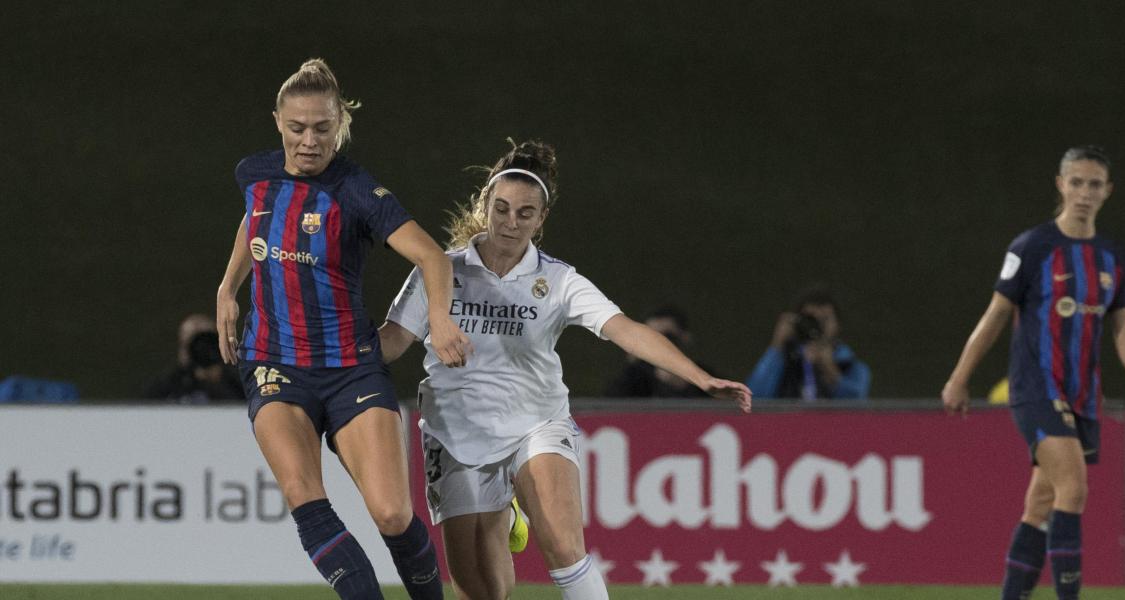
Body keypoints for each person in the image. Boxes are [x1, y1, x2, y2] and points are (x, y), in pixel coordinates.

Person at [378, 140, 752, 600]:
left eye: (525, 213)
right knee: (480, 588)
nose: (510, 223)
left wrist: (700, 377)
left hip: (535, 421)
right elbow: (392, 341)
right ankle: (505, 510)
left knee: (561, 544)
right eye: (502, 209)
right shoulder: (440, 271)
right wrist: (318, 354)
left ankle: (516, 499)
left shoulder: (557, 280)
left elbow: (625, 330)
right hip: (455, 429)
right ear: (485, 205)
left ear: (541, 219)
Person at [215, 58, 472, 600]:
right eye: (297, 128)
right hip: (273, 362)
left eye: (322, 129)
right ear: (277, 122)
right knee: (305, 495)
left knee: (393, 513)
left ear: (340, 126)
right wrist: (227, 287)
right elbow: (253, 220)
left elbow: (432, 257)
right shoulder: (253, 174)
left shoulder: (355, 190)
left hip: (350, 367)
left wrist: (442, 318)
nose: (309, 140)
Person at [941, 146, 1125, 600]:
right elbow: (995, 315)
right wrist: (960, 377)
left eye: (1093, 184)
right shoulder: (1032, 246)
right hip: (1036, 386)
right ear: (1060, 185)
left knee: (1040, 504)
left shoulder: (1113, 256)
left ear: (1107, 192)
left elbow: (1122, 323)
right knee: (1073, 488)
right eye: (1075, 182)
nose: (1084, 193)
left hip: (1082, 393)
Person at [746, 285, 871, 400]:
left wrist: (830, 369)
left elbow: (858, 408)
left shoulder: (850, 364)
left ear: (837, 325)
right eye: (811, 319)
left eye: (824, 319)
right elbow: (755, 398)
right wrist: (776, 346)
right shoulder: (784, 359)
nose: (817, 326)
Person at [603, 305, 713, 398]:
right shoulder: (635, 375)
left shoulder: (704, 375)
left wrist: (683, 384)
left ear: (685, 338)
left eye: (667, 336)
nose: (658, 344)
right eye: (650, 337)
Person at [144, 313, 244, 403]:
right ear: (181, 348)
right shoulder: (166, 387)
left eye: (206, 344)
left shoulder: (238, 384)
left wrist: (217, 382)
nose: (201, 351)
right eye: (194, 344)